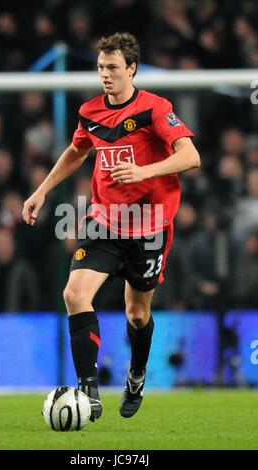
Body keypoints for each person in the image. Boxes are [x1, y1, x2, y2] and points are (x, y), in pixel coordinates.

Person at [22, 32, 200, 421]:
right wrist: (41, 192)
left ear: (131, 69)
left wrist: (143, 171)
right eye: (101, 67)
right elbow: (76, 152)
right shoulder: (90, 111)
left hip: (149, 226)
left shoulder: (156, 109)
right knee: (74, 294)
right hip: (104, 222)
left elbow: (191, 155)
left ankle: (136, 374)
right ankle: (88, 389)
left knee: (137, 314)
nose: (105, 74)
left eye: (113, 68)